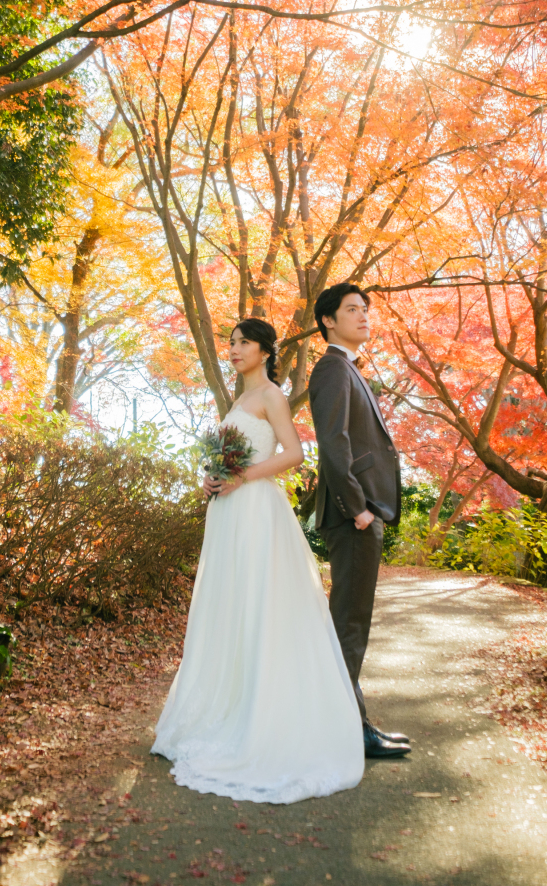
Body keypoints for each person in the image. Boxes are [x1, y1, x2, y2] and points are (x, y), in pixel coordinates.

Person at [152, 318, 365, 803]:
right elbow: (227, 460)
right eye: (230, 342)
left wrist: (241, 477)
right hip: (227, 513)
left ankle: (262, 718)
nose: (233, 349)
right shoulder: (235, 402)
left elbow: (294, 453)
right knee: (228, 607)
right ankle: (224, 707)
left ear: (266, 351)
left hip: (256, 513)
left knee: (258, 606)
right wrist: (211, 478)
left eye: (243, 342)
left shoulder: (271, 394)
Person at [308, 282, 411, 759]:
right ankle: (348, 730)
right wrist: (360, 509)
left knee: (352, 622)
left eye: (366, 309)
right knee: (350, 623)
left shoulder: (348, 368)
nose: (364, 315)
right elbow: (334, 442)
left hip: (361, 514)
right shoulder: (331, 369)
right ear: (328, 320)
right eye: (352, 309)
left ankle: (352, 722)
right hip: (353, 516)